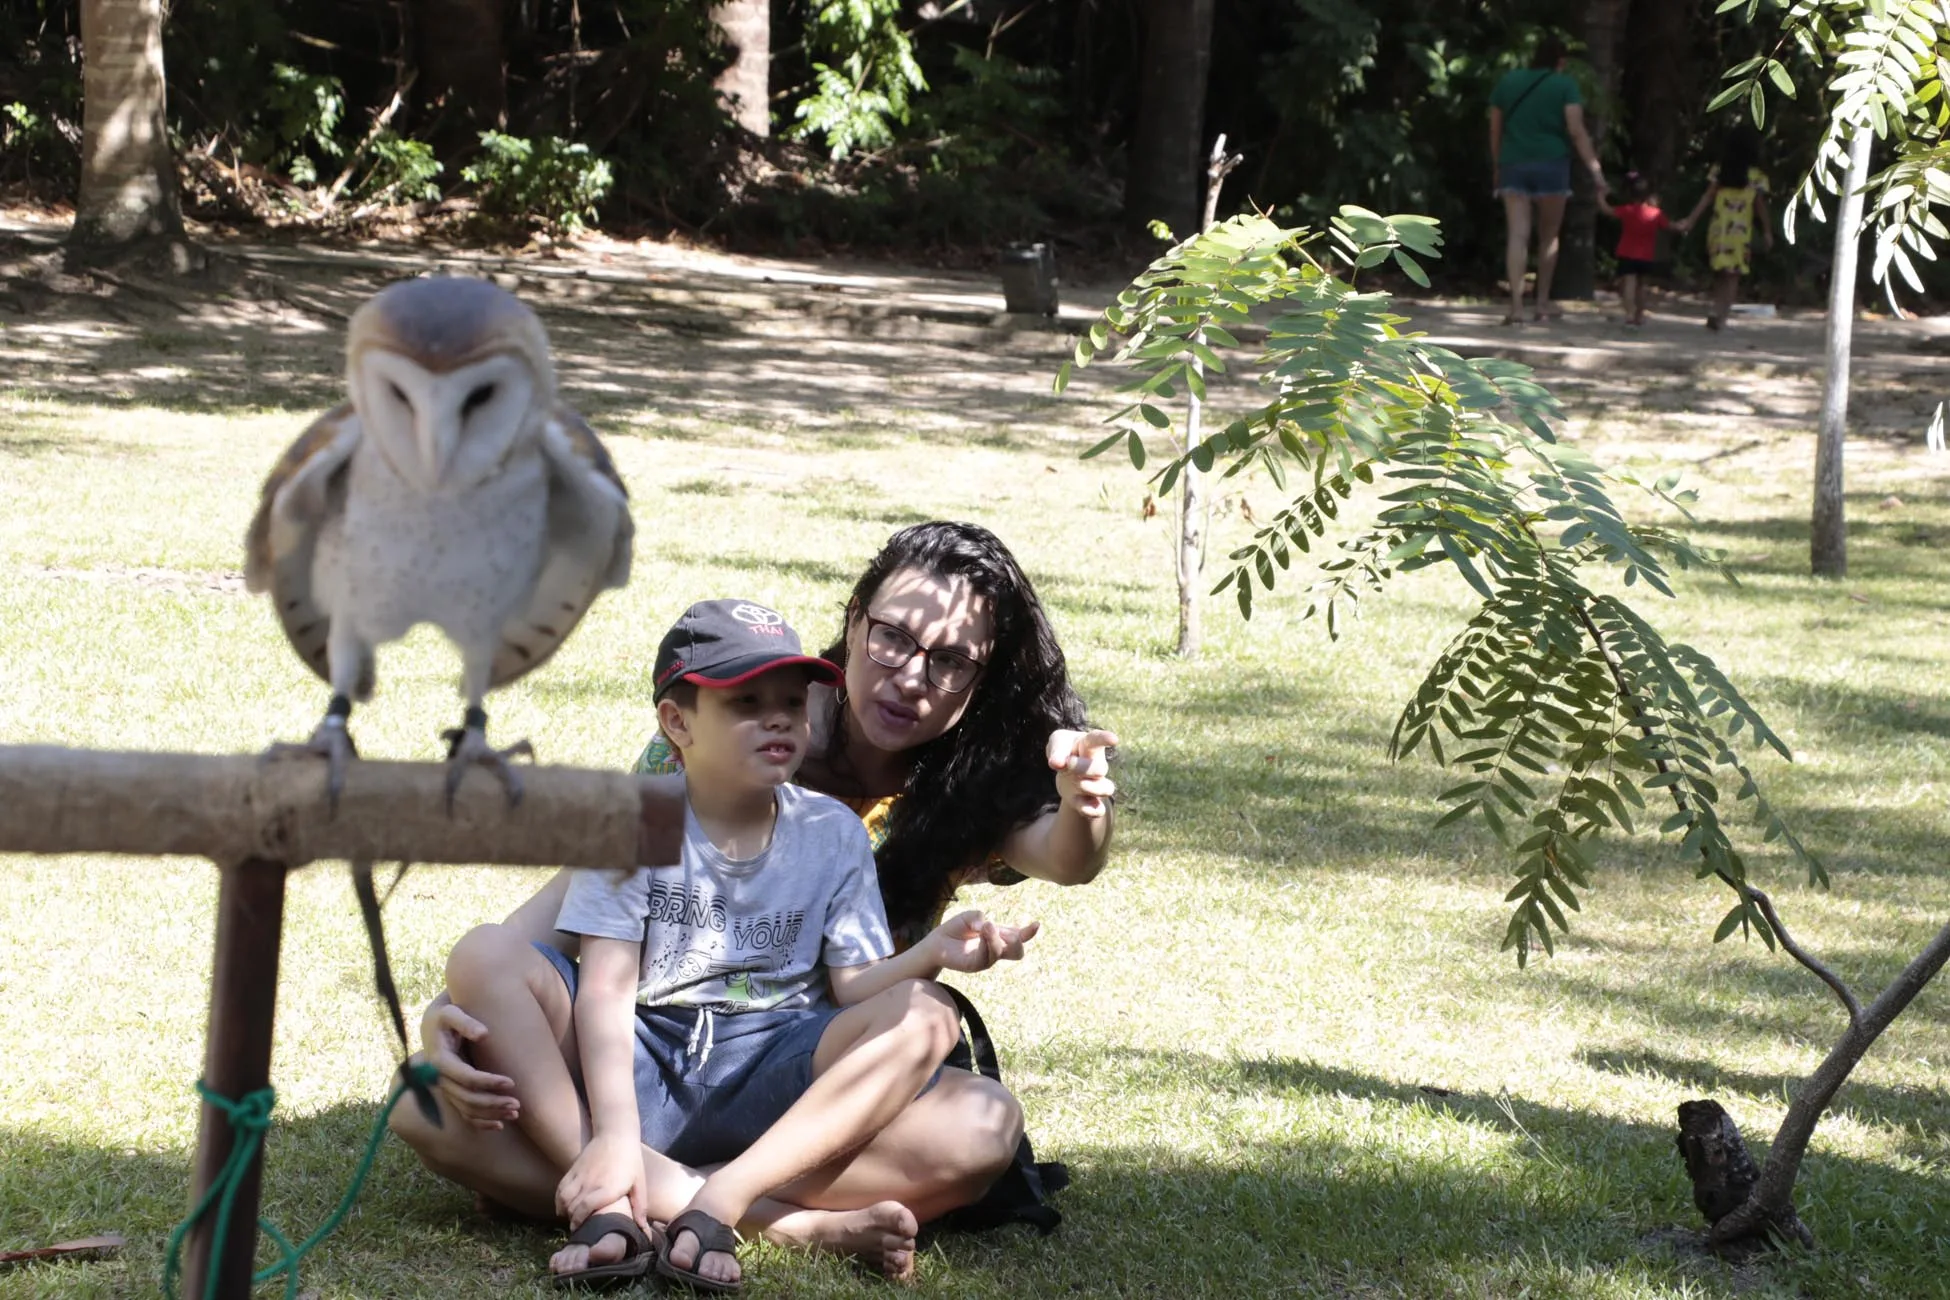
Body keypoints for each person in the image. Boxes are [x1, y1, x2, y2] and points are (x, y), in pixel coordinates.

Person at [390, 521, 1118, 1279]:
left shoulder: (957, 788)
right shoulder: (691, 763)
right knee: (425, 1103)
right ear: (854, 619)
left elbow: (1069, 858)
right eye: (894, 638)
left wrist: (1084, 801)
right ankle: (769, 1220)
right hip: (639, 1066)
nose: (911, 675)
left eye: (951, 660)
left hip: (803, 1089)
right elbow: (571, 931)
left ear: (981, 676)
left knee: (981, 1126)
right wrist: (456, 1008)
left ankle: (629, 1188)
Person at [533, 598, 1039, 1289]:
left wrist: (932, 956)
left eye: (792, 703)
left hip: (773, 1071)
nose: (778, 719)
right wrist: (617, 1133)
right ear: (676, 723)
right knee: (447, 1063)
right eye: (747, 702)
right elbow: (607, 989)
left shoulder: (832, 833)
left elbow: (854, 987)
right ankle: (772, 1220)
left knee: (953, 1055)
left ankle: (715, 1198)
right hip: (644, 1059)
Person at [1488, 38, 1609, 325]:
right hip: (1552, 165)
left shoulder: (1509, 82)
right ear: (1560, 61)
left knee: (1517, 235)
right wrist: (1596, 171)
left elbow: (1495, 128)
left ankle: (1516, 307)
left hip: (1513, 163)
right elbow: (1576, 130)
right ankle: (1541, 303)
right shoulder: (1564, 85)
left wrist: (1497, 164)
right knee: (1549, 236)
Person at [1682, 130, 1773, 330]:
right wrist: (1767, 231)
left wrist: (1690, 220)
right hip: (1740, 232)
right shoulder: (1757, 178)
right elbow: (1760, 207)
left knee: (1721, 271)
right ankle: (1722, 317)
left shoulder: (1720, 172)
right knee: (1734, 274)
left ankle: (1715, 310)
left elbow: (1706, 197)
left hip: (1719, 227)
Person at [1597, 171, 1692, 329]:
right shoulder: (1656, 213)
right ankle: (1639, 316)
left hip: (1627, 253)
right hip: (1646, 256)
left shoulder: (1627, 210)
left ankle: (1629, 316)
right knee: (1641, 287)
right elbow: (1671, 226)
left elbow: (1607, 210)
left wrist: (1600, 195)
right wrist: (1684, 224)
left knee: (1629, 284)